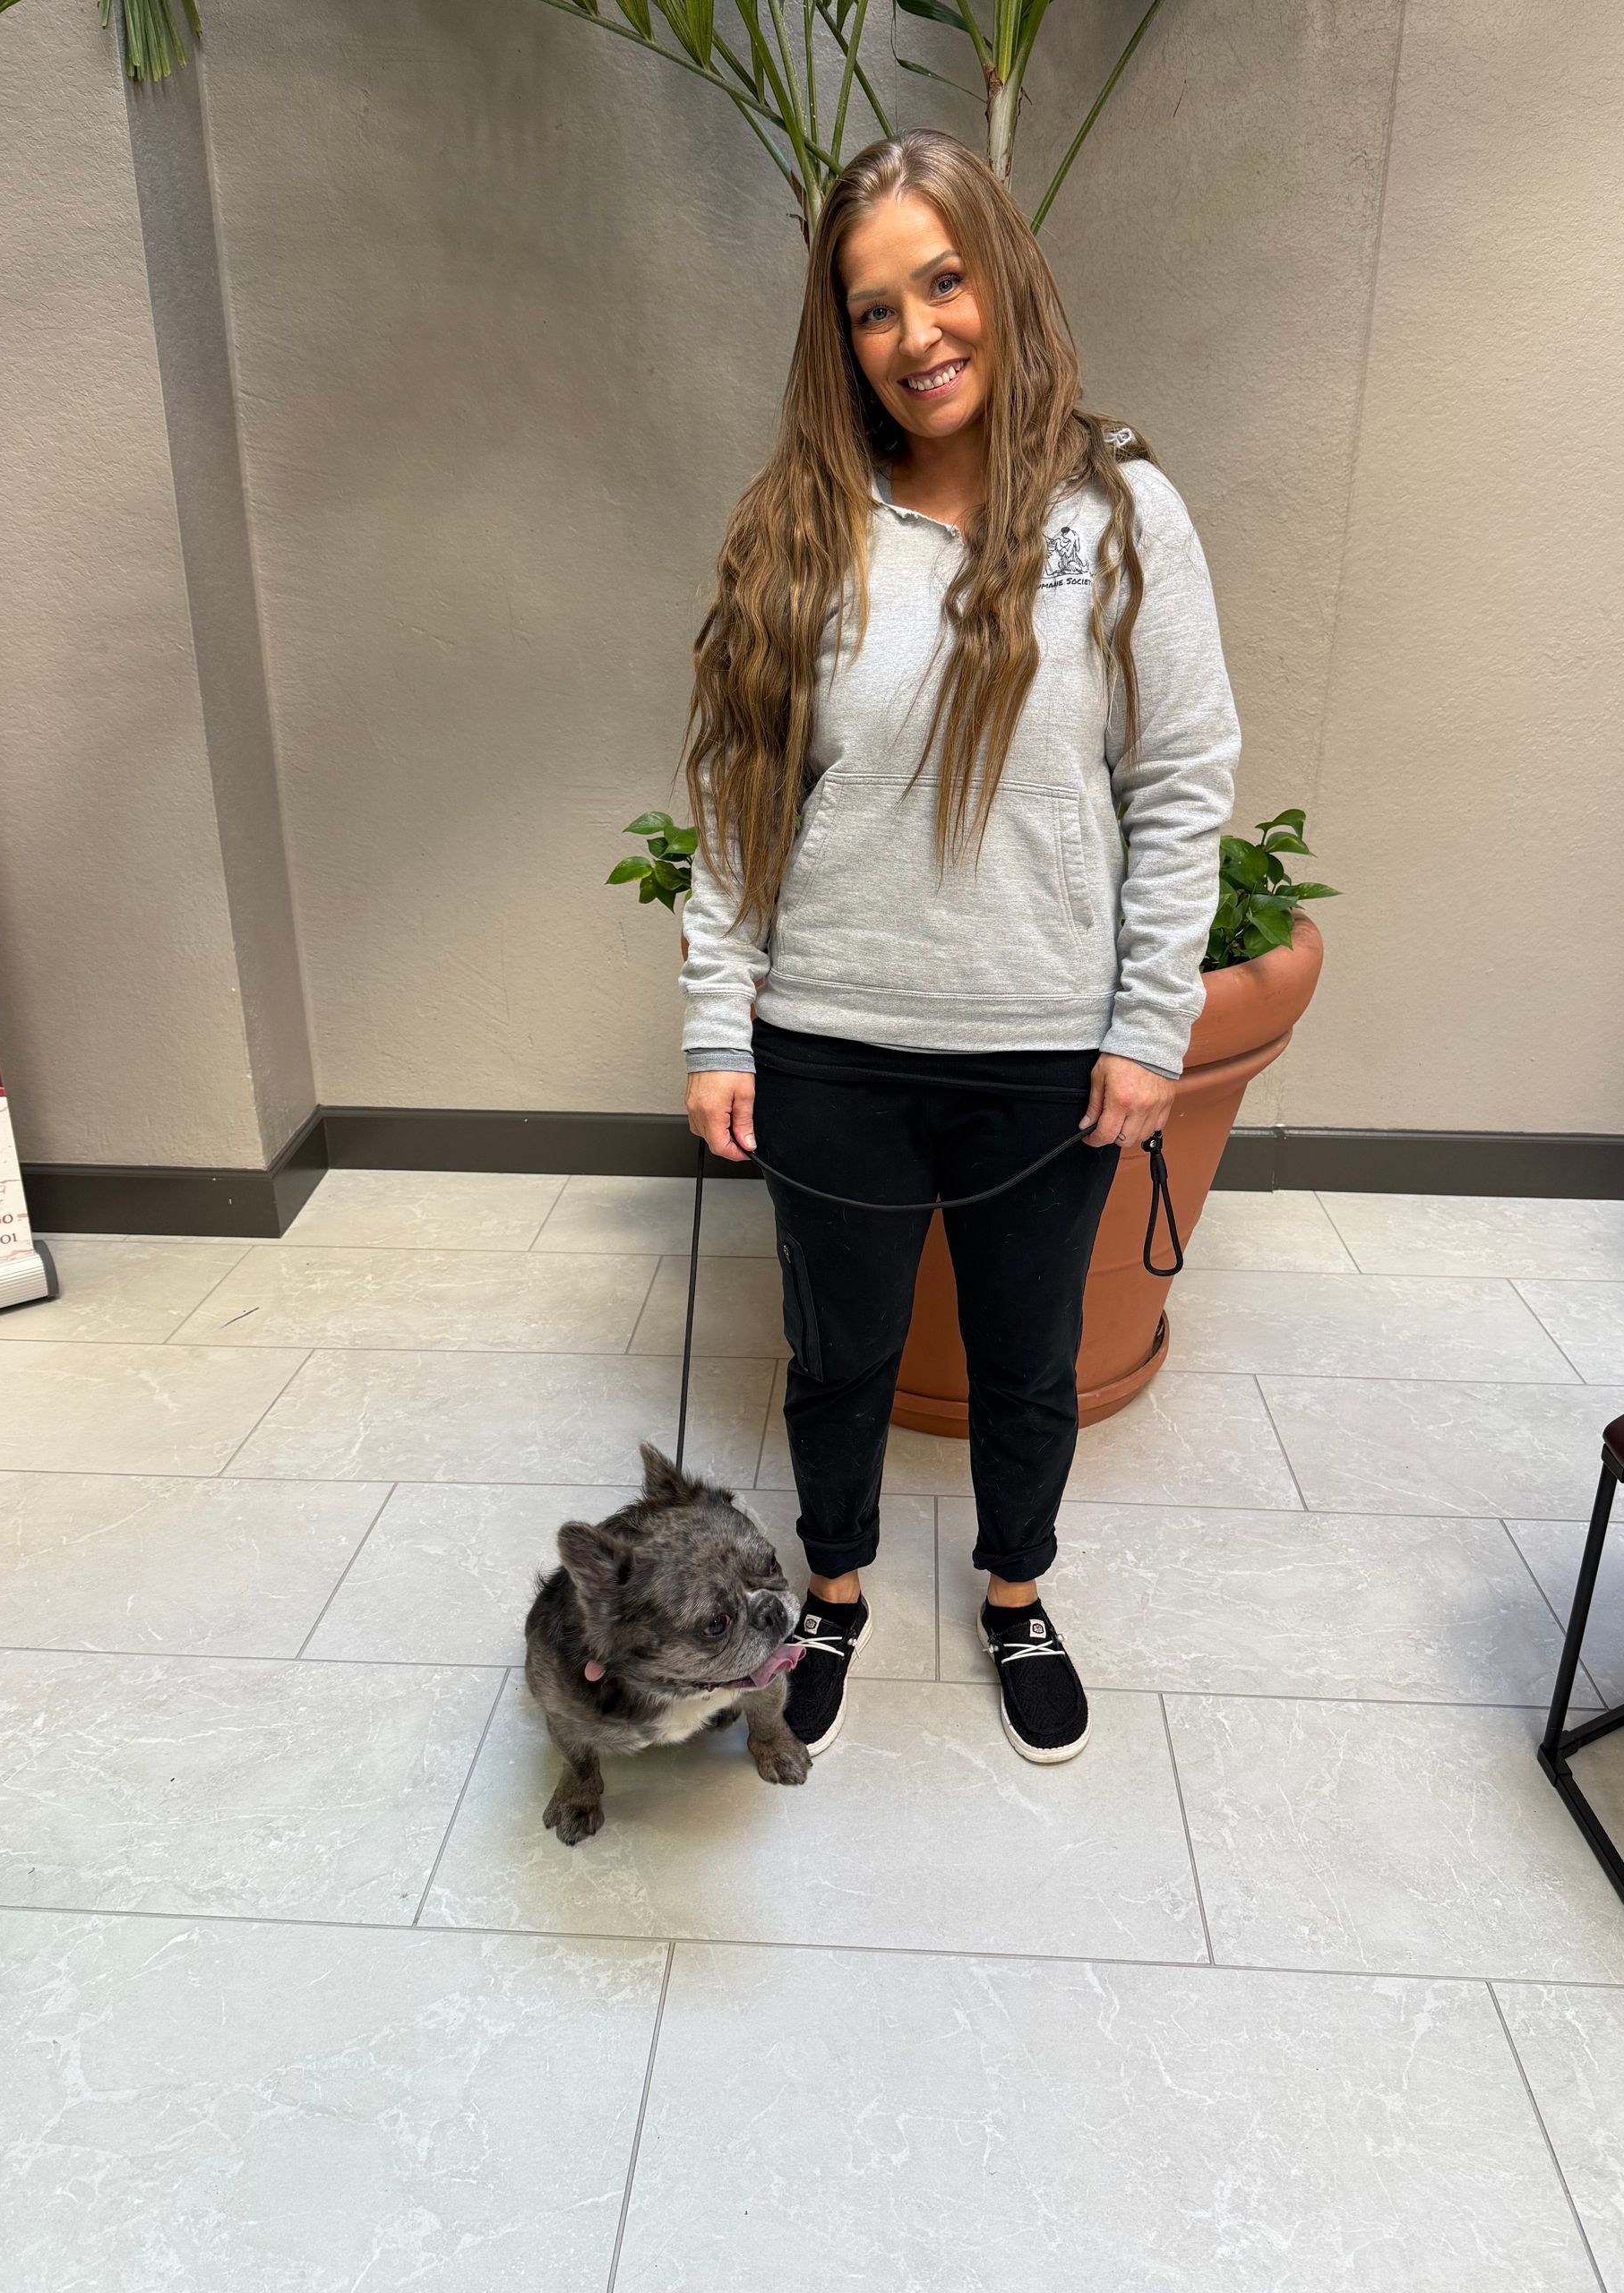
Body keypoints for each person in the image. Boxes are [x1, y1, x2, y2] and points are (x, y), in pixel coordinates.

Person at [675, 129, 1240, 1766]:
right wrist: (723, 1022)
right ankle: (833, 1593)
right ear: (836, 338)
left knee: (1027, 1361)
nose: (917, 332)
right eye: (872, 308)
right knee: (839, 1356)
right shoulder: (799, 524)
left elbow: (1184, 772)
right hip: (833, 1042)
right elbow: (736, 793)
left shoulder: (1122, 512)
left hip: (1044, 1054)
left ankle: (1014, 1592)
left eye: (943, 280)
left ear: (1001, 276)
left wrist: (1148, 1026)